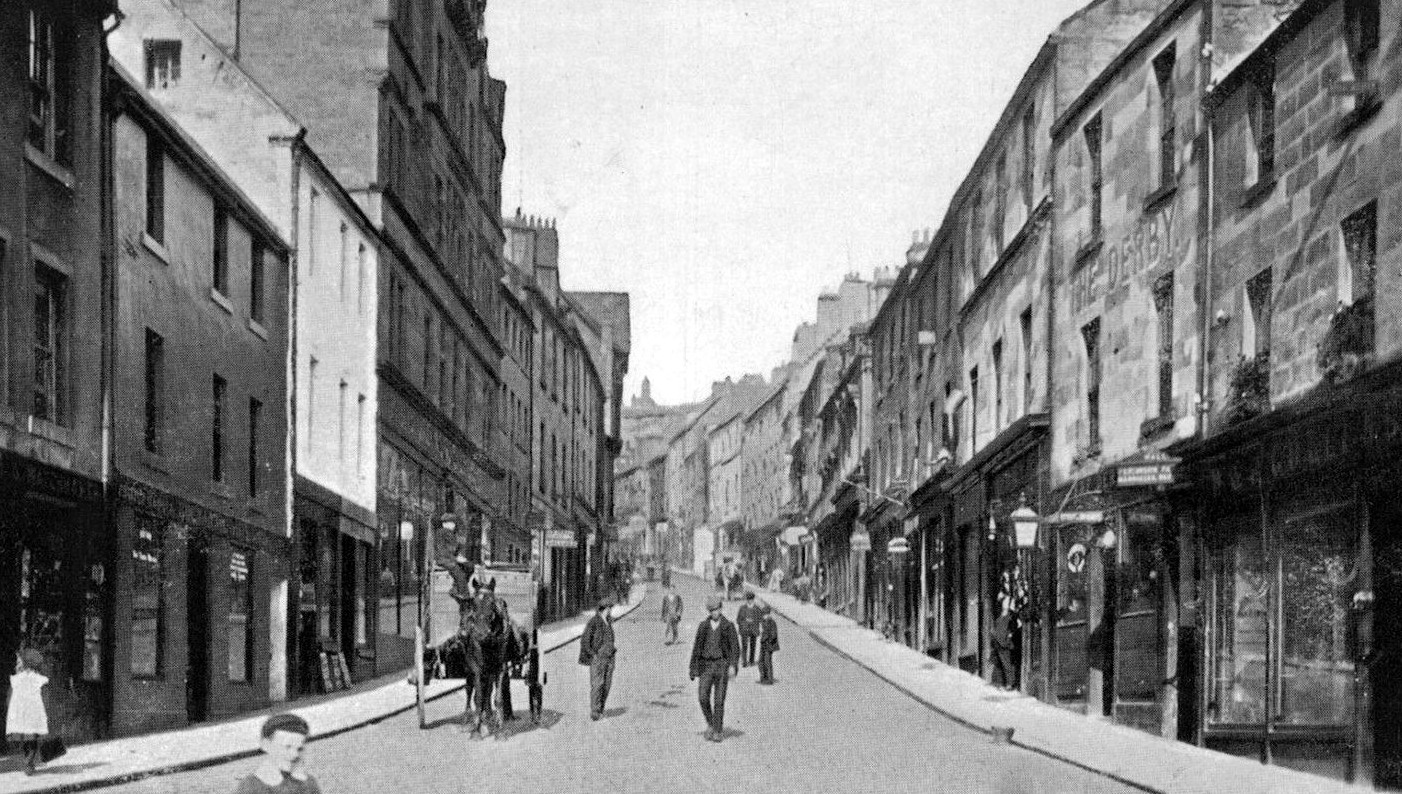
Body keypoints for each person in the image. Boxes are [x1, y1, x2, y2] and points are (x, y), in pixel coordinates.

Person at [689, 595, 739, 743]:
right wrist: (693, 668)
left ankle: (717, 730)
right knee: (702, 697)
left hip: (722, 666)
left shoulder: (728, 626)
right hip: (706, 666)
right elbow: (696, 648)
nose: (714, 613)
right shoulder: (703, 626)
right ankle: (710, 723)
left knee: (719, 700)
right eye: (711, 611)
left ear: (721, 609)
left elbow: (735, 648)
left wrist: (732, 666)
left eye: (716, 610)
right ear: (709, 611)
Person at [233, 713, 321, 793]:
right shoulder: (250, 787)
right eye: (287, 747)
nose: (294, 754)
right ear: (266, 745)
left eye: (299, 749)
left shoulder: (308, 783)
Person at [6, 649, 49, 775]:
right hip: (22, 715)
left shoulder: (36, 678)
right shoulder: (17, 679)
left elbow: (44, 695)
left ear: (27, 664)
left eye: (19, 662)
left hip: (33, 715)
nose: (16, 665)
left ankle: (28, 763)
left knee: (32, 740)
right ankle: (28, 762)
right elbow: (11, 696)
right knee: (25, 740)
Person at [579, 599, 617, 720]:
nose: (610, 611)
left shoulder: (608, 621)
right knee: (597, 685)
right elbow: (585, 641)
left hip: (610, 658)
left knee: (606, 685)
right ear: (604, 609)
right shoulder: (594, 622)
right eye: (609, 609)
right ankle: (595, 711)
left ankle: (600, 708)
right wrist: (593, 655)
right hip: (599, 658)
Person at [736, 592, 761, 667]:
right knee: (744, 646)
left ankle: (752, 660)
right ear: (746, 600)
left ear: (753, 599)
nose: (749, 601)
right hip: (745, 629)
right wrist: (743, 623)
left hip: (753, 629)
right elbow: (738, 619)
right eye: (748, 599)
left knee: (753, 645)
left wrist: (753, 621)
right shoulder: (742, 608)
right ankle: (744, 661)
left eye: (751, 599)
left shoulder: (757, 608)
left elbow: (760, 619)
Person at [757, 604, 780, 684]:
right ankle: (763, 678)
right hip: (763, 645)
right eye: (763, 615)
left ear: (768, 614)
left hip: (768, 645)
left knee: (767, 662)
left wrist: (766, 639)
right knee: (760, 662)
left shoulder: (772, 622)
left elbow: (773, 635)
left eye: (764, 615)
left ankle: (769, 680)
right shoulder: (764, 622)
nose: (763, 616)